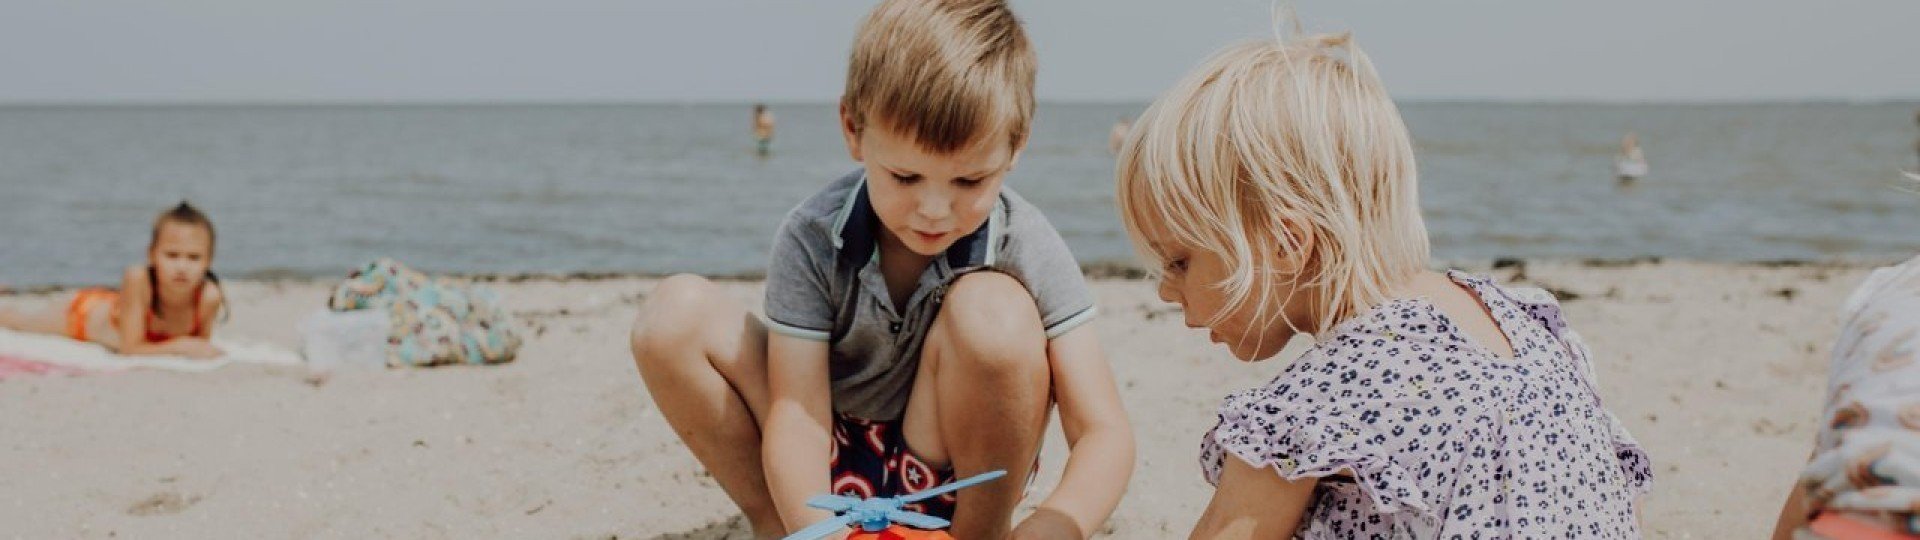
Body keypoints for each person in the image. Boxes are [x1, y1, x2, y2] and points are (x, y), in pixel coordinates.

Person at [1113, 30, 1650, 537]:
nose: (1164, 289)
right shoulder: (1534, 329)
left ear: (1286, 242)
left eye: (1179, 261)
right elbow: (1625, 506)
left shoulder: (1320, 402)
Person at [629, 1, 1134, 538]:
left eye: (968, 183)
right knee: (672, 316)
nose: (935, 210)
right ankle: (777, 524)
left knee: (996, 313)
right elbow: (797, 415)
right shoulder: (813, 236)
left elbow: (1104, 430)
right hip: (823, 458)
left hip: (944, 474)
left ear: (1017, 146)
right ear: (853, 129)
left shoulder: (1026, 242)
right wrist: (814, 528)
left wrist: (1056, 527)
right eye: (905, 176)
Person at [0, 201, 226, 359]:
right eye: (172, 255)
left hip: (111, 303)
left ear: (209, 260)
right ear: (152, 254)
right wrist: (181, 346)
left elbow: (200, 347)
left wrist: (192, 348)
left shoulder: (208, 297)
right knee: (17, 319)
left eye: (194, 258)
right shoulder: (139, 279)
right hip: (81, 314)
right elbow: (130, 348)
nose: (182, 267)